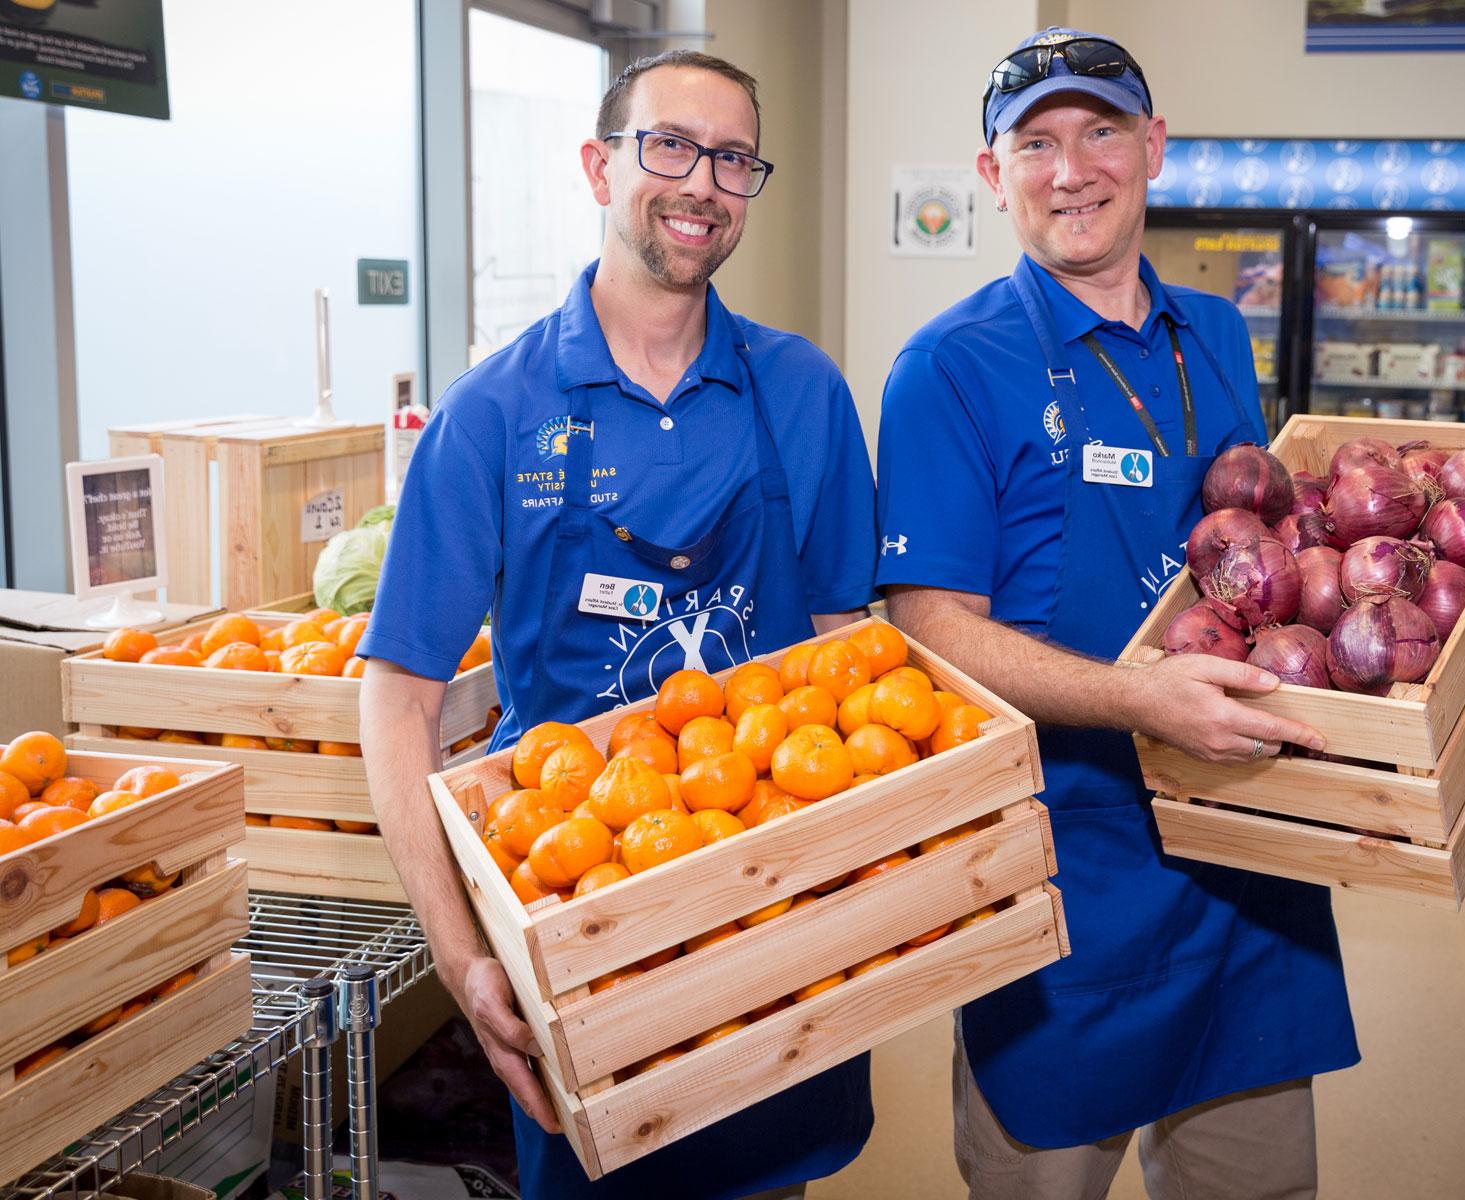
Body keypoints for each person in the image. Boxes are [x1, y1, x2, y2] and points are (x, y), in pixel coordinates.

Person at [359, 50, 876, 1200]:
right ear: (601, 166)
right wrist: (457, 950)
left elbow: (855, 656)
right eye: (670, 146)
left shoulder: (805, 392)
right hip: (576, 902)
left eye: (734, 157)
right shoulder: (491, 413)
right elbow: (396, 695)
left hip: (769, 907)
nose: (702, 180)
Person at [874, 28, 1359, 1200]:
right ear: (993, 175)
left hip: (1245, 853)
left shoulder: (1218, 334)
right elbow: (928, 623)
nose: (1069, 168)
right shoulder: (946, 369)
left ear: (1152, 149)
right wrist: (1138, 699)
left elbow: (1249, 556)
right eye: (1033, 143)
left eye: (1098, 131)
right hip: (1061, 870)